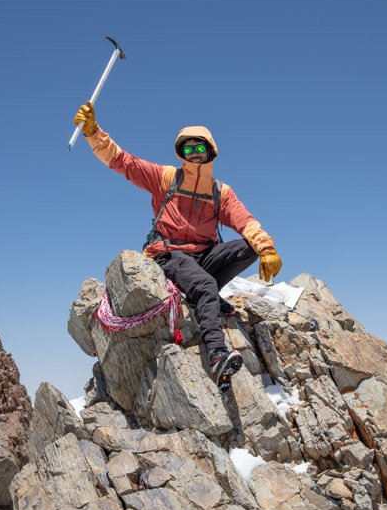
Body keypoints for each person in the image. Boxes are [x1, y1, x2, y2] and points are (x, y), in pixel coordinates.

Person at [73, 101, 282, 390]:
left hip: (204, 255)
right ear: (180, 153)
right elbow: (123, 162)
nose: (194, 154)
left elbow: (245, 221)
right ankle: (217, 353)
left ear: (211, 151)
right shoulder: (166, 178)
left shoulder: (220, 192)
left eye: (199, 148)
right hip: (170, 254)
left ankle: (201, 296)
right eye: (188, 149)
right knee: (205, 285)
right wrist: (93, 132)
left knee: (248, 248)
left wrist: (266, 248)